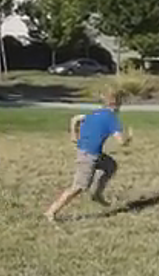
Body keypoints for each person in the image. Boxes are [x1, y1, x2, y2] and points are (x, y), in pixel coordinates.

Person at [45, 90, 132, 222]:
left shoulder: (95, 113)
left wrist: (74, 136)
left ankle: (96, 194)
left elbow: (75, 119)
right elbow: (121, 142)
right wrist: (128, 138)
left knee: (110, 165)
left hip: (91, 152)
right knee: (79, 186)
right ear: (116, 105)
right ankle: (51, 211)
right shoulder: (111, 119)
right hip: (88, 155)